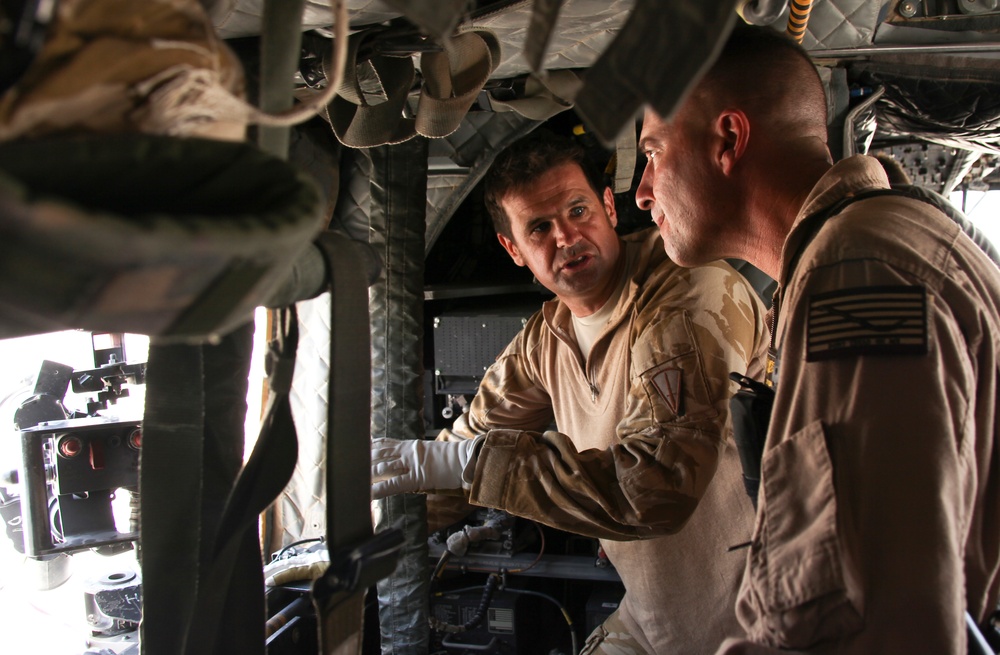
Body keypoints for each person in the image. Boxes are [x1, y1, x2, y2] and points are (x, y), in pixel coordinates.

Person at [634, 24, 1000, 654]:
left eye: (653, 152)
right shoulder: (874, 243)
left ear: (727, 140)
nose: (641, 191)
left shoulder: (855, 273)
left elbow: (863, 625)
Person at [371, 130, 768, 653]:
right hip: (654, 618)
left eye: (578, 210)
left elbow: (657, 488)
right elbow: (465, 443)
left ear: (607, 206)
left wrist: (468, 466)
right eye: (539, 228)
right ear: (513, 250)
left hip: (758, 616)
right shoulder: (547, 337)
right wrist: (366, 538)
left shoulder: (688, 293)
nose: (565, 236)